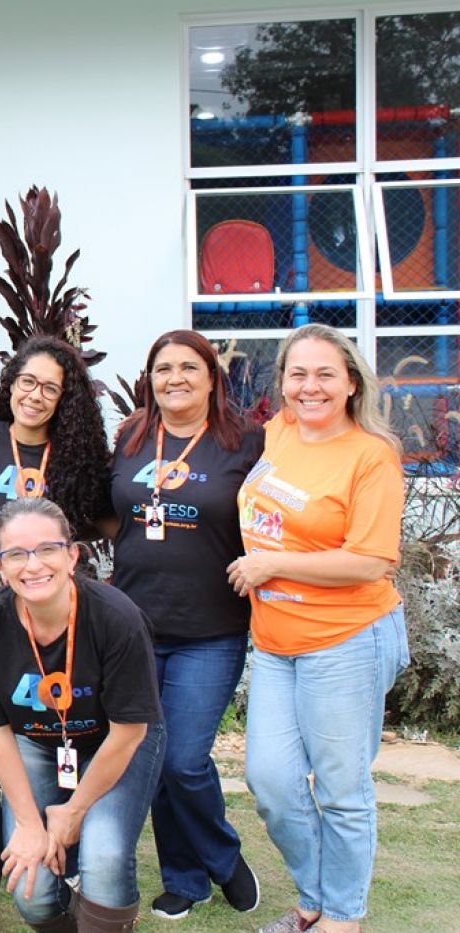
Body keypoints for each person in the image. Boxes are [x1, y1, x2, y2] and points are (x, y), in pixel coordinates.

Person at [228, 324, 408, 933]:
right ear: (281, 383)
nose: (311, 387)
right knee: (271, 782)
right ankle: (316, 897)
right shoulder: (278, 432)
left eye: (326, 374)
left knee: (340, 788)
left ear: (352, 382)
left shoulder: (371, 456)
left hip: (347, 639)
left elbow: (372, 560)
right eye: (298, 374)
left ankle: (339, 916)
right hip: (277, 642)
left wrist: (272, 565)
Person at [106, 329, 263, 921]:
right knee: (151, 758)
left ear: (211, 377)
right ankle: (186, 879)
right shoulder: (131, 436)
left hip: (210, 630)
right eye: (162, 368)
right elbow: (112, 513)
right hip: (136, 627)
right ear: (149, 380)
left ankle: (223, 857)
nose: (175, 378)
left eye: (188, 367)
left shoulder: (246, 441)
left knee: (183, 758)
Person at [0, 498, 164, 933]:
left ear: (72, 555)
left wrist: (74, 810)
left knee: (103, 857)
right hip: (34, 741)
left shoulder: (117, 617)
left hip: (116, 741)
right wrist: (29, 824)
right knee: (31, 889)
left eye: (47, 549)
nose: (33, 566)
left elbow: (129, 733)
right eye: (16, 554)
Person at [0, 336, 110, 539]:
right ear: (12, 383)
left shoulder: (79, 455)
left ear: (63, 399)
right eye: (28, 381)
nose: (35, 396)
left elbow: (106, 525)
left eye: (50, 389)